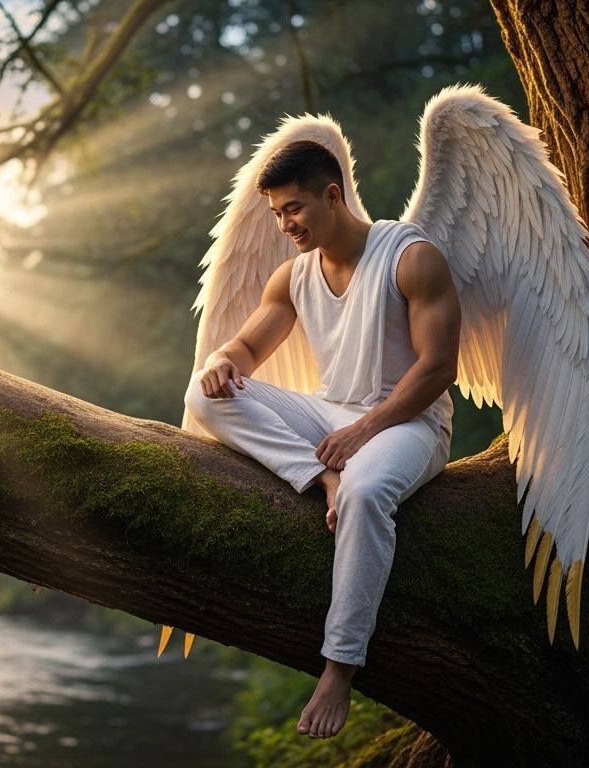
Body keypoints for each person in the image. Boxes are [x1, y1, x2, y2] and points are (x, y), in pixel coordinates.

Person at [182, 139, 460, 740]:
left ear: (332, 196)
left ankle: (339, 667)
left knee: (364, 494)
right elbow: (249, 348)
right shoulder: (294, 276)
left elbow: (438, 368)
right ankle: (318, 476)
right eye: (278, 214)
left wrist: (364, 431)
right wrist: (226, 360)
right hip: (331, 418)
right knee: (204, 392)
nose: (286, 226)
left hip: (410, 424)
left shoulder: (411, 258)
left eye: (295, 210)